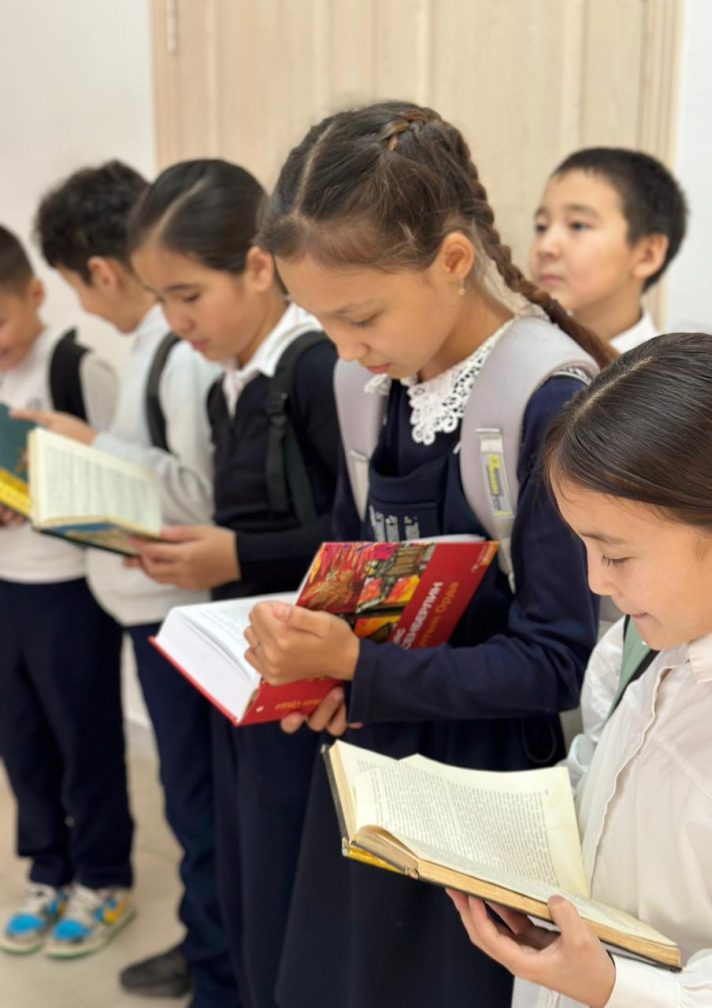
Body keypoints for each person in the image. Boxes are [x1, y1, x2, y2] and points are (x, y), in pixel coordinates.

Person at [244, 100, 613, 1008]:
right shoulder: (365, 384)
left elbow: (558, 660)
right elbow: (352, 571)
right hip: (373, 764)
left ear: (451, 260)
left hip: (487, 790)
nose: (344, 347)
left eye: (360, 315)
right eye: (319, 321)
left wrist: (361, 669)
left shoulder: (545, 399)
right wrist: (322, 665)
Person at [449, 331, 712, 1007]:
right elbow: (594, 779)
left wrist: (616, 986)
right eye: (584, 547)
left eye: (616, 555)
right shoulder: (637, 644)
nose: (594, 581)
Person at [126, 158, 341, 1008]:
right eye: (161, 300)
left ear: (259, 266)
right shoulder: (230, 383)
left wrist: (235, 558)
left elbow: (351, 540)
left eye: (189, 294)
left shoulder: (314, 370)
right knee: (238, 861)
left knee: (284, 883)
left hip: (299, 682)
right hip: (240, 665)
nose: (176, 322)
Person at [31, 162, 237, 1007]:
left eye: (75, 288)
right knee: (190, 804)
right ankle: (205, 944)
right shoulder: (159, 345)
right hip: (155, 615)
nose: (84, 307)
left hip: (178, 618)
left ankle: (218, 968)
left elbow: (195, 495)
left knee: (198, 805)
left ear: (99, 272)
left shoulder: (180, 355)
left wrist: (88, 447)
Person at [0, 225, 131, 957]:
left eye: (0, 321)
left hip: (71, 589)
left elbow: (123, 481)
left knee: (84, 738)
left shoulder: (78, 367)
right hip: (6, 585)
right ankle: (48, 871)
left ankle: (104, 879)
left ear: (35, 292)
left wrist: (43, 494)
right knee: (20, 740)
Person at [529, 147, 687, 351]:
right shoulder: (519, 348)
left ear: (647, 255)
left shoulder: (663, 368)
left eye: (578, 225)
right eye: (541, 227)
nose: (545, 247)